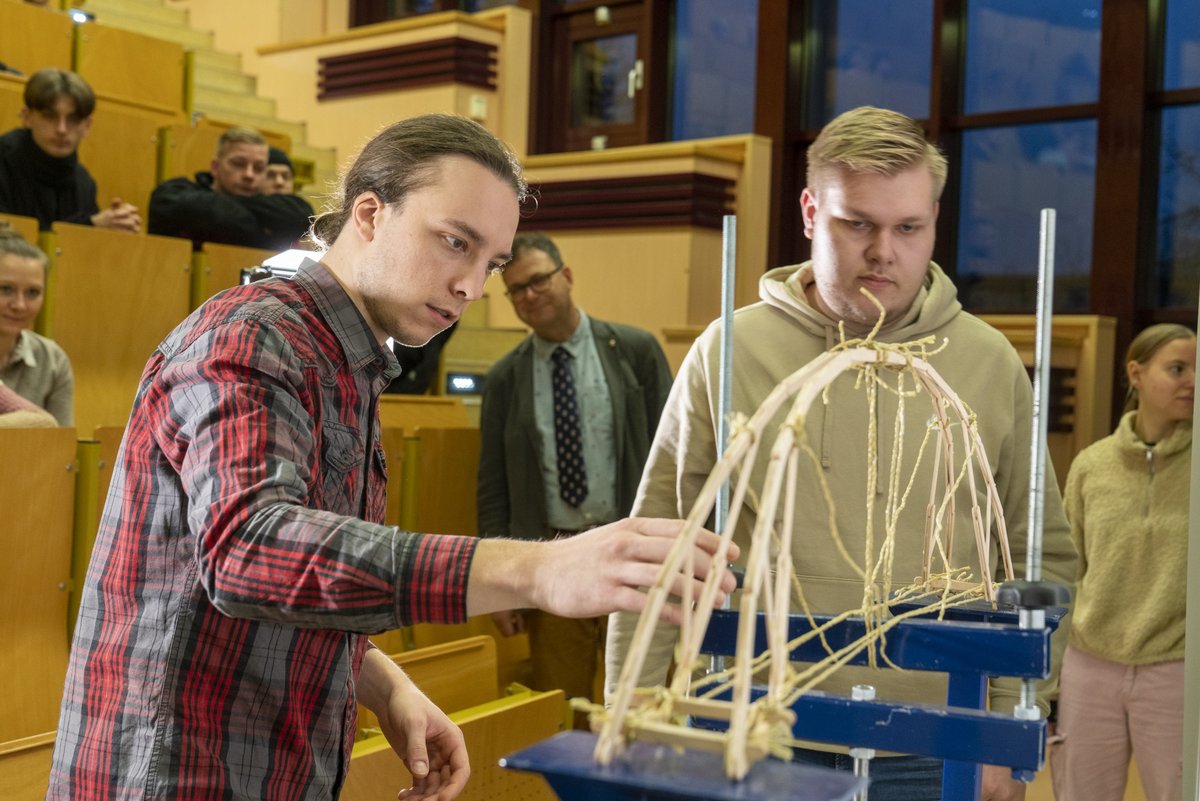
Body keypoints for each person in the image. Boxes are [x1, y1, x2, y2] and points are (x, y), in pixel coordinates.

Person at [49, 113, 739, 801]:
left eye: (489, 263)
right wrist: (538, 566)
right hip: (173, 771)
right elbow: (248, 552)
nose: (471, 285)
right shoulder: (252, 335)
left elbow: (274, 588)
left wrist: (379, 678)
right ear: (371, 213)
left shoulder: (346, 358)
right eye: (453, 242)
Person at [605, 106, 1078, 801]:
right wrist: (631, 714)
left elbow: (1045, 562)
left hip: (939, 734)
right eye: (856, 223)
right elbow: (659, 548)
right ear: (808, 211)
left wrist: (1003, 726)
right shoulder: (729, 352)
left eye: (908, 227)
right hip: (756, 727)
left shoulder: (988, 361)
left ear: (934, 223)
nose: (883, 250)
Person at [477, 232, 673, 722]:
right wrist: (498, 584)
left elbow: (675, 457)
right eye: (516, 289)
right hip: (555, 559)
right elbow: (493, 483)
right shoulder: (505, 377)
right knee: (563, 708)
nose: (530, 295)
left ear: (566, 276)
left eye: (539, 279)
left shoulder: (635, 351)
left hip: (634, 553)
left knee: (641, 703)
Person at [1052, 323, 1193, 801]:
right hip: (1089, 666)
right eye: (1178, 368)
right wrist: (1049, 678)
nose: (1191, 380)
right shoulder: (1092, 465)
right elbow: (1068, 573)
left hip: (1176, 669)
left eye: (1197, 369)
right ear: (1136, 373)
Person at [0, 67, 141, 232]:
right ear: (27, 117)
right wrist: (90, 226)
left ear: (88, 126)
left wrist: (109, 233)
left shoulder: (84, 182)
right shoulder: (4, 161)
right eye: (49, 116)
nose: (62, 129)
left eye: (73, 119)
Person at [148, 126, 314, 250]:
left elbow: (303, 216)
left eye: (258, 167)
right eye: (238, 164)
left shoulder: (277, 205)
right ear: (215, 167)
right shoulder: (176, 192)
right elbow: (169, 204)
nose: (249, 175)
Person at [0, 222, 72, 425]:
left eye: (32, 293)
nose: (20, 305)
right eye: (6, 289)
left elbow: (59, 442)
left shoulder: (52, 358)